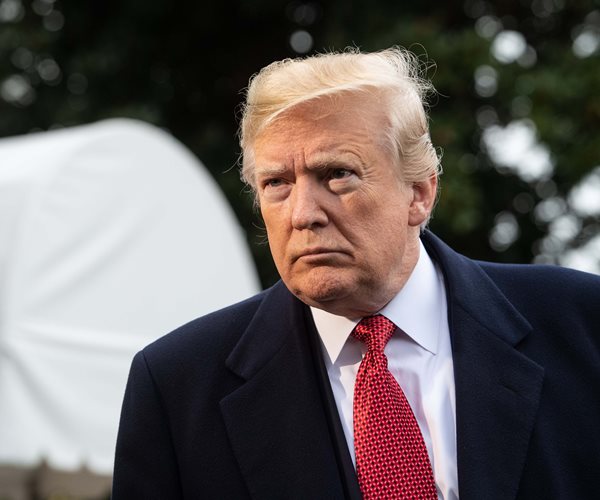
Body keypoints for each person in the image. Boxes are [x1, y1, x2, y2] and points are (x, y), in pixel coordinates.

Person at [112, 48, 600, 499]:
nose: (303, 214)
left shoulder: (581, 323)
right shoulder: (177, 387)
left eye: (337, 174)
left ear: (419, 192)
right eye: (277, 183)